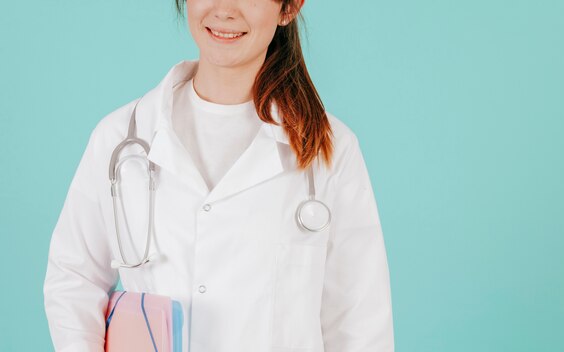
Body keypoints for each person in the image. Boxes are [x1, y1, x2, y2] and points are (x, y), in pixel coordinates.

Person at [43, 0, 394, 351]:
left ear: (289, 8)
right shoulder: (120, 137)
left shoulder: (331, 149)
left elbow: (359, 320)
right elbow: (74, 279)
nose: (225, 9)